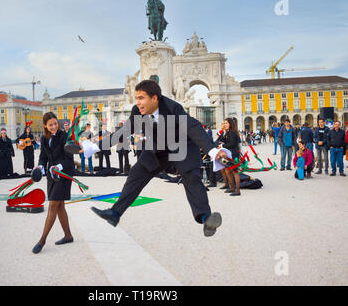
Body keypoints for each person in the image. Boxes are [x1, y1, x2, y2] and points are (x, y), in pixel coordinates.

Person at [82, 80, 225, 237]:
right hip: (158, 147)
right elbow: (122, 132)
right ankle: (115, 213)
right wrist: (95, 147)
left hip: (182, 145)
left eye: (141, 98)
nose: (138, 102)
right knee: (136, 175)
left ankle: (206, 219)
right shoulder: (137, 112)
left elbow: (192, 126)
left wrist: (212, 150)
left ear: (155, 98)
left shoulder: (172, 108)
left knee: (191, 177)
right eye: (136, 98)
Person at [32, 112, 75, 254]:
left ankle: (42, 240)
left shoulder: (65, 136)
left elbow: (69, 159)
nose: (54, 126)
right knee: (60, 206)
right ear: (45, 125)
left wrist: (59, 167)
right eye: (50, 124)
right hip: (51, 175)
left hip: (63, 173)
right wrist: (39, 167)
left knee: (52, 205)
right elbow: (43, 158)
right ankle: (68, 236)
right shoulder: (44, 139)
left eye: (55, 123)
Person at [219, 118, 241, 196]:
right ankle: (232, 187)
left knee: (235, 172)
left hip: (233, 155)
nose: (225, 125)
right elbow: (222, 140)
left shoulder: (232, 133)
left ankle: (237, 190)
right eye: (224, 123)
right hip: (228, 155)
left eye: (226, 123)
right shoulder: (228, 132)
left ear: (230, 124)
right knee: (227, 170)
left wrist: (222, 145)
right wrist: (222, 131)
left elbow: (232, 144)